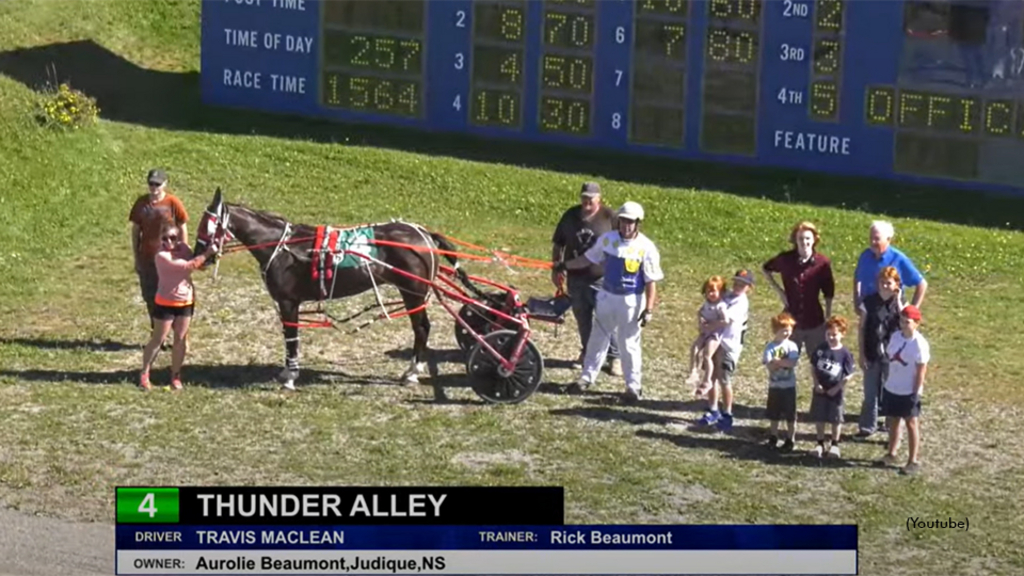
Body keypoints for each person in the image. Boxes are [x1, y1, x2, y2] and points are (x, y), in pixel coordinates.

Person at [554, 201, 663, 401]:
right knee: (597, 339)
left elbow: (651, 281)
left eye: (630, 222)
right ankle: (586, 379)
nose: (626, 226)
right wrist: (564, 265)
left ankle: (633, 387)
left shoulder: (646, 248)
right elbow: (587, 259)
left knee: (628, 344)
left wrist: (648, 309)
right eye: (623, 221)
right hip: (607, 297)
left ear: (637, 223)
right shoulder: (608, 240)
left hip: (631, 301)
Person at [551, 182, 621, 376]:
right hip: (575, 277)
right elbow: (558, 243)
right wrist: (556, 267)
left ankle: (615, 356)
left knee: (605, 318)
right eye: (584, 197)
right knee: (582, 318)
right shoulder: (570, 216)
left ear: (599, 198)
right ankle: (588, 352)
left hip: (602, 277)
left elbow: (623, 242)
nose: (587, 201)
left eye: (591, 197)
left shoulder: (610, 217)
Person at [139, 225, 217, 391]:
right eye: (165, 238)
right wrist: (208, 253)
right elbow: (187, 267)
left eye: (173, 238)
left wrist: (210, 255)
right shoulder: (161, 256)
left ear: (178, 238)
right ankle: (145, 373)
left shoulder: (184, 249)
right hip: (165, 302)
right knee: (158, 340)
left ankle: (175, 375)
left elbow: (198, 265)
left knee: (180, 340)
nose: (169, 242)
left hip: (185, 302)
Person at [762, 221, 835, 356]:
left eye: (808, 238)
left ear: (814, 240)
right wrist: (780, 292)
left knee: (818, 362)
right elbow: (766, 269)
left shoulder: (822, 263)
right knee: (784, 360)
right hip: (790, 320)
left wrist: (828, 316)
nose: (804, 242)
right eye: (800, 238)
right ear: (795, 240)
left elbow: (829, 292)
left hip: (814, 320)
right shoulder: (786, 259)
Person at [129, 169, 189, 331]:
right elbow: (136, 231)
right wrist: (137, 257)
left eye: (157, 184)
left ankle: (178, 333)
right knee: (150, 296)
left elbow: (183, 226)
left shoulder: (172, 202)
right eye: (151, 184)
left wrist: (183, 252)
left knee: (172, 297)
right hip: (148, 258)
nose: (154, 187)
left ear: (164, 184)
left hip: (169, 258)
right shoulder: (141, 203)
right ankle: (157, 332)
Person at [697, 269, 755, 432]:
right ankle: (713, 410)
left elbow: (725, 321)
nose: (738, 286)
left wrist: (707, 326)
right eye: (736, 282)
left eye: (742, 284)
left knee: (724, 380)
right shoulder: (727, 295)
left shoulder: (741, 302)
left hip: (729, 345)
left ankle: (727, 414)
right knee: (712, 376)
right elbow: (711, 307)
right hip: (716, 341)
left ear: (749, 288)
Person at [877, 305, 930, 476]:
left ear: (916, 323)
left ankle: (912, 460)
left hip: (909, 390)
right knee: (893, 420)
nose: (903, 324)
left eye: (907, 322)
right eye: (901, 320)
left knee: (911, 423)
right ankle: (892, 452)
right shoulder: (896, 337)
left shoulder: (919, 344)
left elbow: (921, 370)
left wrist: (916, 392)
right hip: (893, 386)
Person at [856, 266, 905, 439]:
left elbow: (905, 325)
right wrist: (861, 354)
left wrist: (898, 300)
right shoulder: (869, 302)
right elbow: (862, 328)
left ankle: (890, 426)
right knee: (870, 392)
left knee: (891, 391)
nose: (885, 286)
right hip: (871, 352)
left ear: (896, 284)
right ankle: (867, 426)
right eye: (882, 282)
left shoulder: (899, 304)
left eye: (889, 283)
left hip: (892, 356)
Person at [853, 220, 926, 315]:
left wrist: (911, 312)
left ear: (888, 240)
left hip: (891, 312)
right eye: (871, 238)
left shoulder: (898, 259)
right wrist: (857, 301)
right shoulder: (865, 256)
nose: (872, 242)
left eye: (877, 239)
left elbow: (922, 284)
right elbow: (857, 277)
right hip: (869, 310)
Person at [808, 315, 856, 459]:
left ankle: (835, 444)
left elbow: (849, 374)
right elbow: (813, 367)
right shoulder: (821, 349)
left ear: (842, 334)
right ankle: (820, 443)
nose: (831, 337)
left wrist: (838, 387)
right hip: (820, 390)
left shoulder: (845, 354)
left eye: (834, 334)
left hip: (836, 392)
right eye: (828, 334)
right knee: (820, 417)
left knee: (836, 419)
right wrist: (816, 384)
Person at [761, 312, 801, 452]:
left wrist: (778, 362)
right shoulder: (770, 347)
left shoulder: (792, 346)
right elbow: (769, 366)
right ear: (776, 330)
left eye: (789, 331)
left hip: (789, 386)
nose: (787, 333)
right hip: (775, 386)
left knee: (791, 415)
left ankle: (791, 438)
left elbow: (792, 363)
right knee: (774, 414)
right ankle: (773, 436)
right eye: (784, 331)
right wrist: (783, 363)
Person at [685, 275, 727, 396]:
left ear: (721, 292)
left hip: (715, 334)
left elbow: (725, 320)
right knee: (695, 348)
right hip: (705, 331)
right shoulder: (707, 303)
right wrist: (701, 321)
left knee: (707, 355)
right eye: (709, 291)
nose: (711, 294)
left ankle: (707, 379)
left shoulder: (721, 305)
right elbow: (700, 312)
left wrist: (712, 325)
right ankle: (693, 371)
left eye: (714, 291)